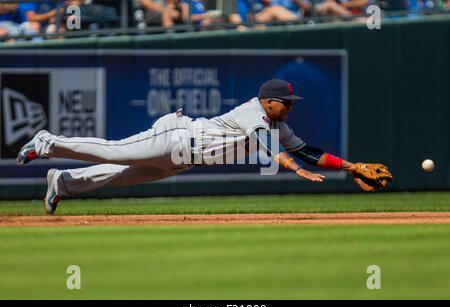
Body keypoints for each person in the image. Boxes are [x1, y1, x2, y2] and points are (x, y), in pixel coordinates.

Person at [16, 79, 392, 214]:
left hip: (182, 161)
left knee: (120, 178)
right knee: (115, 152)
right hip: (176, 137)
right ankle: (48, 141)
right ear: (270, 101)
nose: (291, 106)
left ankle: (63, 182)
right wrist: (294, 170)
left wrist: (351, 166)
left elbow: (308, 150)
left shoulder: (278, 124)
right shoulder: (254, 113)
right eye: (287, 102)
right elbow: (267, 145)